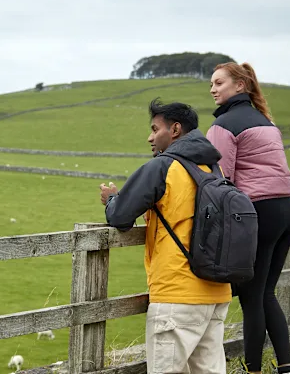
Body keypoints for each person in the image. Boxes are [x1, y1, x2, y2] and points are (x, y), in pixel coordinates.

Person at [100, 98, 231, 374]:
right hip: (217, 292)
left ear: (174, 130)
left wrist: (112, 199)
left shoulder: (164, 167)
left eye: (154, 129)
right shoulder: (213, 168)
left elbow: (121, 216)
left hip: (177, 294)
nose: (150, 137)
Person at [206, 62, 290, 374]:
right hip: (287, 212)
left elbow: (219, 181)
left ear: (240, 86)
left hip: (259, 214)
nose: (213, 89)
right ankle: (287, 368)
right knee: (266, 292)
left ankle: (254, 371)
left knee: (251, 297)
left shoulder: (223, 126)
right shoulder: (267, 122)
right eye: (211, 85)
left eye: (219, 83)